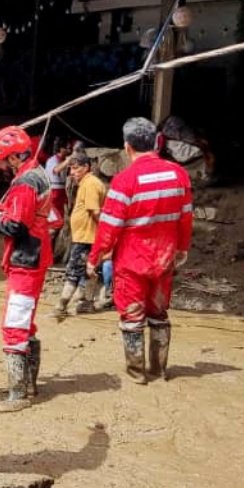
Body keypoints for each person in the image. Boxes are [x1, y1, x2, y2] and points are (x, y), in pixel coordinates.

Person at [87, 117, 193, 385]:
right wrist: (182, 248)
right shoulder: (178, 174)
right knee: (158, 314)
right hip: (165, 257)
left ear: (127, 146)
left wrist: (95, 257)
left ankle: (137, 372)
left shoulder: (124, 181)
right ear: (157, 142)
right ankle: (159, 369)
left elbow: (109, 227)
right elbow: (186, 217)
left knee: (132, 316)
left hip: (132, 261)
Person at [0, 125, 53, 413]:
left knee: (15, 324)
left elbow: (15, 225)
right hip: (35, 255)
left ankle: (18, 392)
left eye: (0, 160)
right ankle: (28, 384)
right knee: (26, 321)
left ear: (12, 158)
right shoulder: (36, 173)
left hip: (26, 258)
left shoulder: (25, 183)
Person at [53, 152, 107, 317]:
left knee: (74, 270)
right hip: (86, 235)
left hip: (86, 237)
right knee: (86, 271)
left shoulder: (90, 184)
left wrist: (105, 231)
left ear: (86, 167)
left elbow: (95, 211)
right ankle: (85, 302)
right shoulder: (87, 182)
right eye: (71, 169)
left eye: (76, 168)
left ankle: (61, 305)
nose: (72, 172)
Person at [44, 137, 75, 231]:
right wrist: (67, 161)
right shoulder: (52, 160)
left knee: (62, 216)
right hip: (54, 191)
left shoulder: (63, 160)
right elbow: (56, 170)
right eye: (68, 148)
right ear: (61, 148)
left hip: (62, 191)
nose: (69, 150)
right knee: (54, 218)